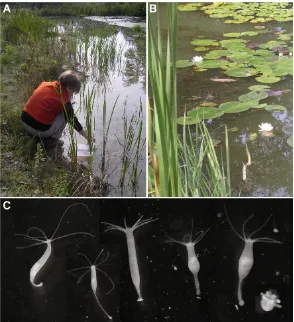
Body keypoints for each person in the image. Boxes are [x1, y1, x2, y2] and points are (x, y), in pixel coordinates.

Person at [21, 70, 88, 149]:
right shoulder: (64, 100)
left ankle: (35, 136)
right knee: (65, 115)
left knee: (58, 110)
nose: (72, 94)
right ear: (68, 88)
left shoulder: (45, 84)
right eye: (73, 91)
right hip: (38, 130)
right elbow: (73, 121)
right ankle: (51, 141)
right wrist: (87, 137)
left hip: (23, 121)